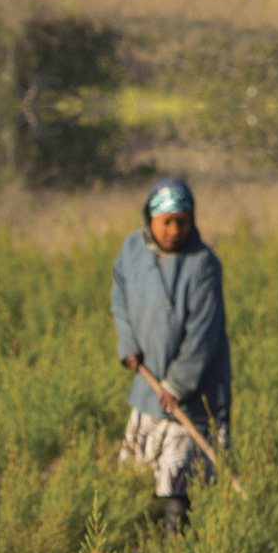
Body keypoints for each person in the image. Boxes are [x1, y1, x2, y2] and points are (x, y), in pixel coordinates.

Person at [110, 178, 232, 532]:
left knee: (179, 475)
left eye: (183, 220)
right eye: (167, 221)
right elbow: (119, 298)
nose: (175, 230)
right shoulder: (133, 250)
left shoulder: (203, 263)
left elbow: (205, 334)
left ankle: (176, 544)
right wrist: (128, 345)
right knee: (138, 474)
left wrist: (178, 382)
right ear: (149, 220)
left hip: (193, 391)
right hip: (148, 383)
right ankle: (137, 543)